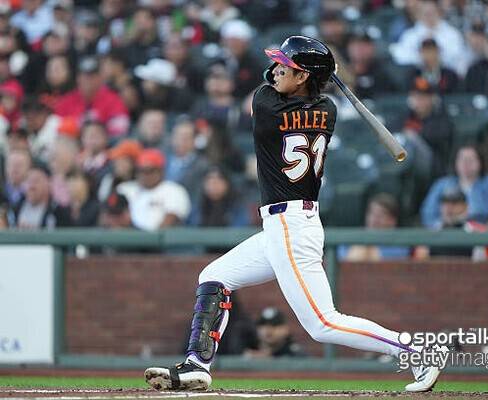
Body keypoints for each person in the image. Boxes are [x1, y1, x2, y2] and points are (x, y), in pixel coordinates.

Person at [144, 36, 445, 393]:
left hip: (290, 226)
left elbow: (266, 82)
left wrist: (313, 71)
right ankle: (198, 364)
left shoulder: (265, 105)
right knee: (215, 276)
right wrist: (316, 73)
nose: (276, 70)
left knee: (323, 324)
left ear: (303, 76)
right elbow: (296, 92)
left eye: (285, 66)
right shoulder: (328, 110)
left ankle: (418, 351)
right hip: (288, 224)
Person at [421, 144, 488, 229]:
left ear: (480, 162)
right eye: (462, 159)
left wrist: (487, 227)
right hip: (447, 235)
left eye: (470, 160)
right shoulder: (442, 185)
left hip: (481, 236)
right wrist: (444, 222)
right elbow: (427, 215)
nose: (466, 164)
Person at [117, 148, 191, 231]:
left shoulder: (174, 190)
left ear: (161, 171)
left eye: (150, 171)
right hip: (129, 236)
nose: (144, 175)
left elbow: (170, 221)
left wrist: (147, 237)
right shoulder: (125, 189)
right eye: (141, 170)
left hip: (161, 238)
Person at [338, 193, 411, 262]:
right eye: (372, 213)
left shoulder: (401, 245)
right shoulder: (351, 239)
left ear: (392, 221)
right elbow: (339, 258)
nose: (374, 219)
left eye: (381, 215)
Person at [7, 163, 71, 229]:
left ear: (48, 183)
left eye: (36, 181)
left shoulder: (59, 213)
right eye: (29, 181)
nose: (31, 186)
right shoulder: (15, 208)